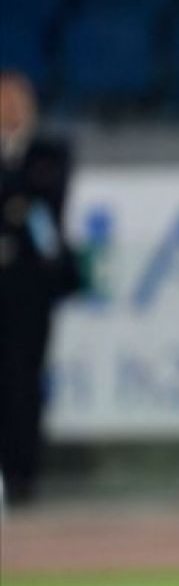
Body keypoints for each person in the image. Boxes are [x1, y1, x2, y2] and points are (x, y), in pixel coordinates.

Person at [0, 71, 75, 507]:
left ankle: (24, 473)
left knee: (24, 379)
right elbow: (21, 201)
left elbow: (45, 200)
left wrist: (16, 196)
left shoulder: (50, 151)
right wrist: (17, 200)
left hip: (30, 288)